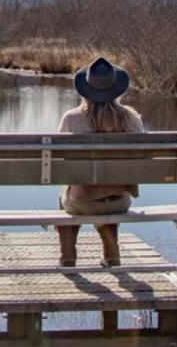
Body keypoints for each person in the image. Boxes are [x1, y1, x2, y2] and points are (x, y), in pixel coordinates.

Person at [56, 56, 146, 268]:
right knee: (107, 192)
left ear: (86, 89)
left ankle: (67, 257)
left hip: (81, 202)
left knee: (65, 197)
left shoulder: (71, 119)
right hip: (119, 202)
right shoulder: (132, 120)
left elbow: (57, 160)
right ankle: (111, 254)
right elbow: (144, 157)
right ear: (116, 89)